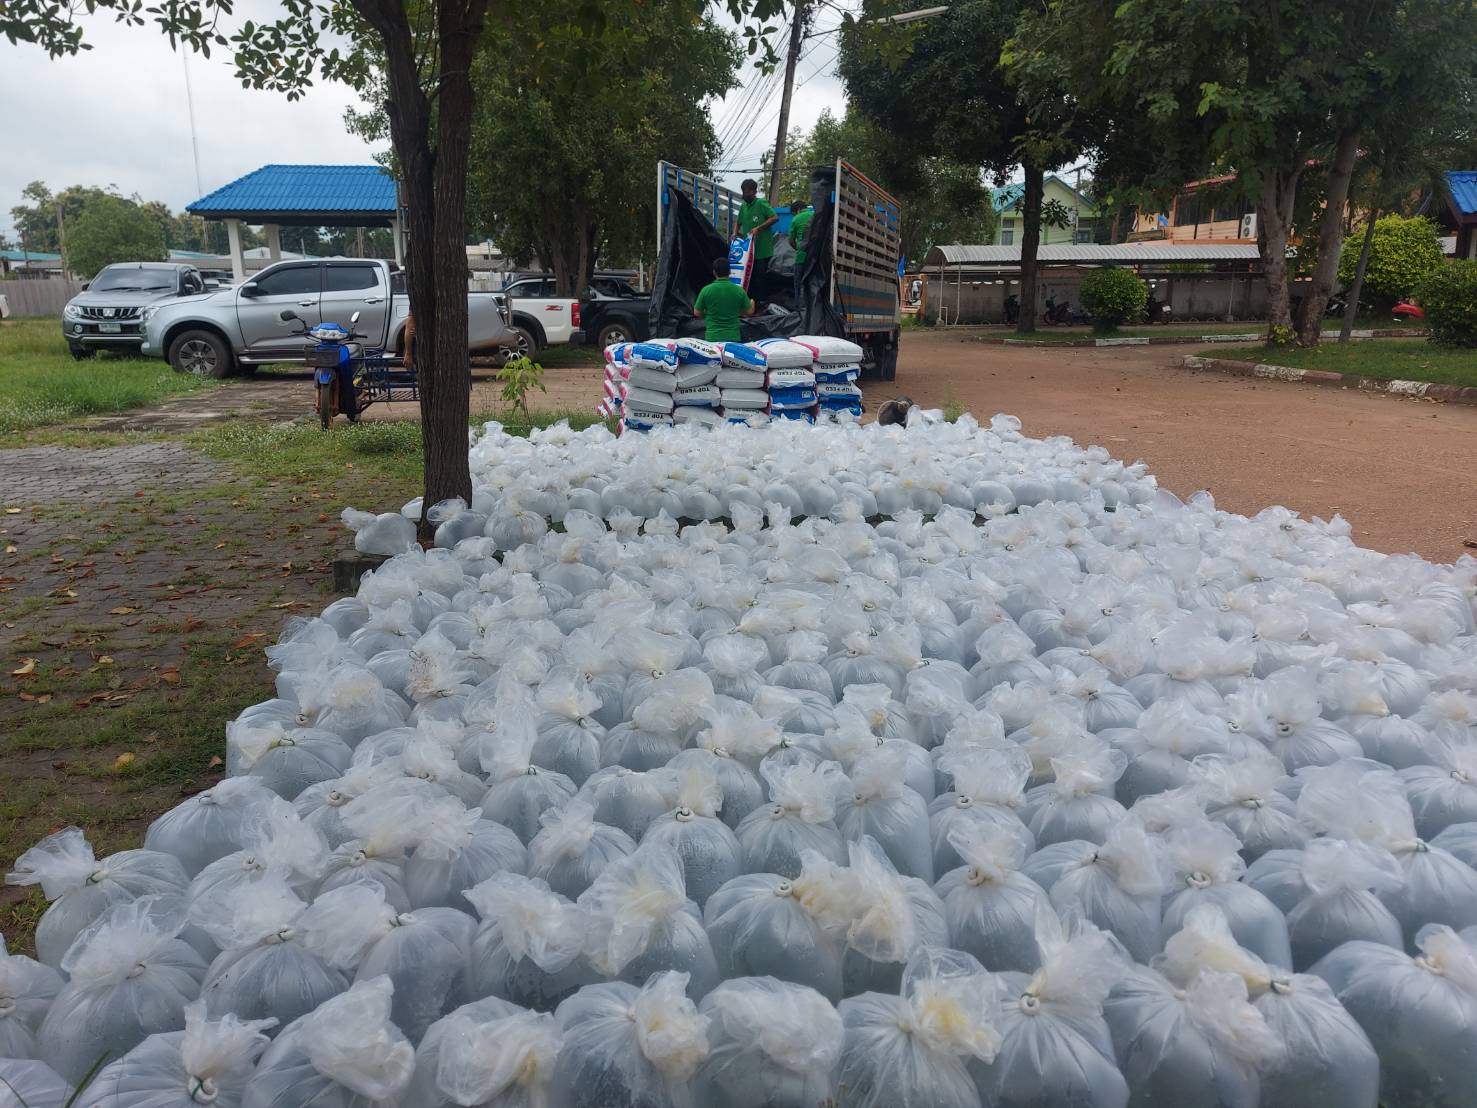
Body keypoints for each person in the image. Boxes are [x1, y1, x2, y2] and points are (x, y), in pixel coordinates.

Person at [694, 256, 756, 343]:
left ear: (714, 272)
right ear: (730, 272)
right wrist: (752, 303)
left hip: (712, 337)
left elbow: (697, 313)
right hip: (733, 337)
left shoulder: (706, 290)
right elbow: (749, 312)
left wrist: (708, 313)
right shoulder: (739, 290)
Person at [736, 178, 779, 301]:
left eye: (747, 192)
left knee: (760, 278)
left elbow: (775, 218)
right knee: (749, 278)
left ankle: (761, 302)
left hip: (762, 251)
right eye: (743, 192)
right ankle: (750, 303)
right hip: (748, 252)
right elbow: (738, 222)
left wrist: (759, 228)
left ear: (754, 192)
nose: (745, 194)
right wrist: (734, 233)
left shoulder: (761, 203)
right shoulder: (743, 206)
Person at [788, 198, 814, 303]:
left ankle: (799, 309)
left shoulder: (796, 219)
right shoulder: (815, 215)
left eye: (793, 214)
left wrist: (798, 249)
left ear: (798, 210)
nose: (793, 216)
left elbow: (791, 241)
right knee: (812, 284)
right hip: (815, 257)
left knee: (798, 284)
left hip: (801, 257)